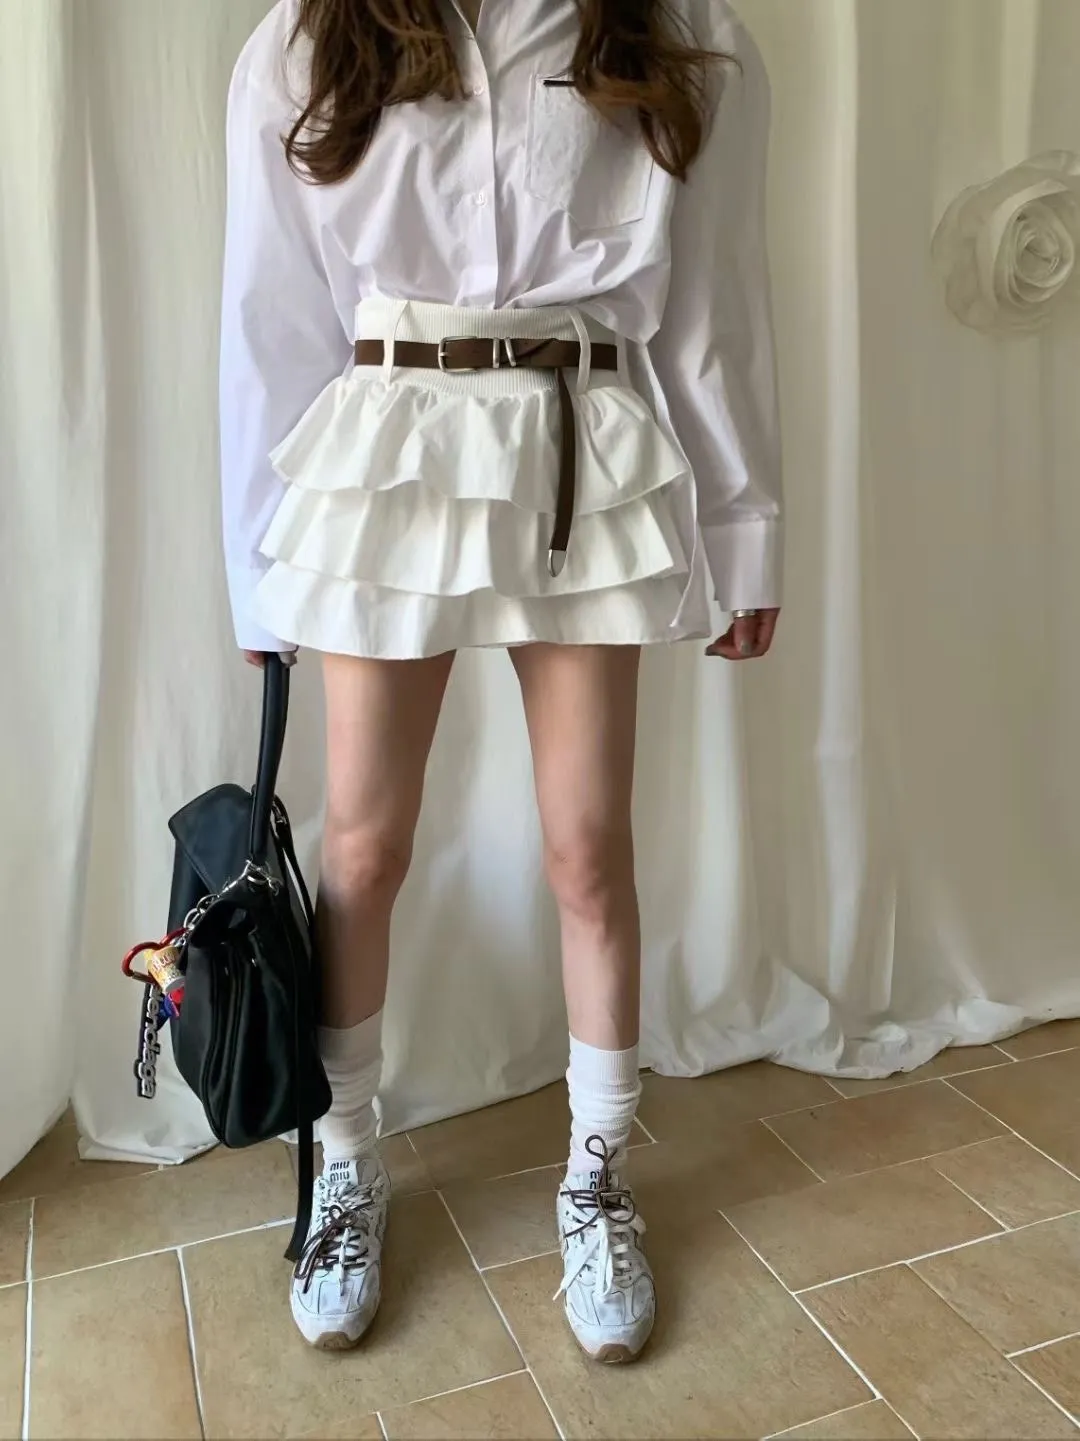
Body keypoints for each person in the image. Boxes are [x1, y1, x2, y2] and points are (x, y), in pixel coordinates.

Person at [220, 0, 781, 1362]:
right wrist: (257, 566)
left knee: (588, 847)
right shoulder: (308, 38)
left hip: (582, 444)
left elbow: (715, 304)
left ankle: (598, 1177)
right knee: (364, 847)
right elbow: (268, 317)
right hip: (386, 455)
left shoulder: (676, 26)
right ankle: (346, 1163)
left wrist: (746, 529)